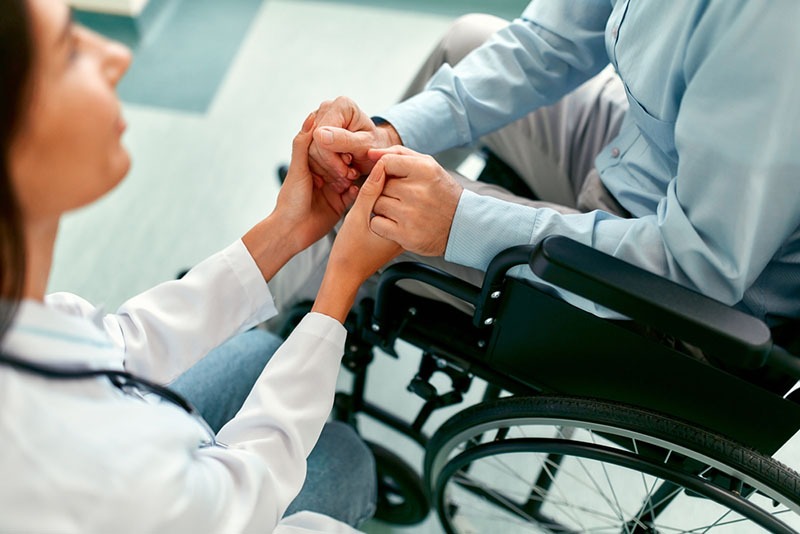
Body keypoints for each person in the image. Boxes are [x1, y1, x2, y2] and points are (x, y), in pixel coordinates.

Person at [0, 0, 403, 531]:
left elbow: (121, 342)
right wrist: (339, 285)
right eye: (70, 51)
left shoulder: (26, 322)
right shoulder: (90, 462)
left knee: (261, 347)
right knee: (347, 463)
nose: (118, 53)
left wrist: (287, 229)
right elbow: (246, 496)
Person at [269, 0, 800, 329]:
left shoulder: (774, 32)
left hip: (680, 282)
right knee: (465, 43)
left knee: (381, 202)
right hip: (648, 154)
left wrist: (459, 222)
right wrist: (388, 136)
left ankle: (269, 337)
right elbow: (550, 42)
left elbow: (697, 267)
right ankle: (287, 281)